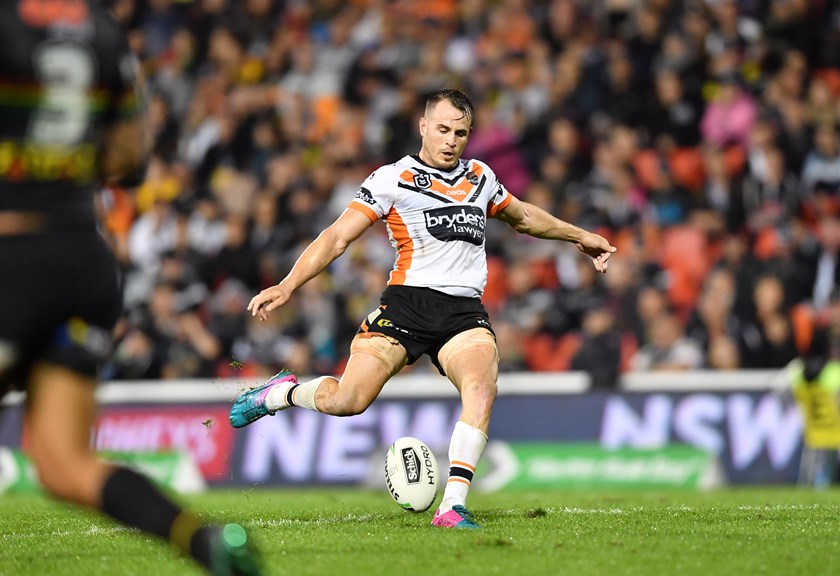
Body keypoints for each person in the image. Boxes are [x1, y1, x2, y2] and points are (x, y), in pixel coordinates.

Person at [231, 88, 616, 529]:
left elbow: (524, 217)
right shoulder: (392, 179)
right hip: (407, 306)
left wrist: (579, 236)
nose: (451, 140)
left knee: (481, 387)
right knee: (348, 401)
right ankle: (279, 393)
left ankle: (452, 505)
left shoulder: (480, 177)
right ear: (423, 126)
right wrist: (288, 283)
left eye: (461, 133)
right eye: (443, 129)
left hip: (462, 313)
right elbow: (338, 237)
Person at [0, 1, 258, 574]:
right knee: (64, 464)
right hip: (84, 260)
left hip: (12, 255)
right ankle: (206, 544)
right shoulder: (102, 31)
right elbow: (129, 159)